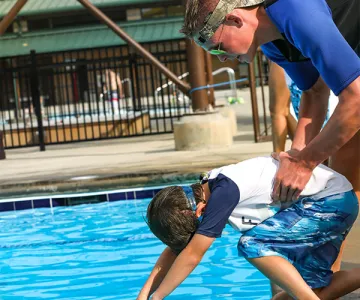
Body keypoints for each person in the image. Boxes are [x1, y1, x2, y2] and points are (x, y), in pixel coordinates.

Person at [181, 0, 360, 204]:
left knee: (344, 159)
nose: (221, 59)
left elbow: (356, 100)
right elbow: (314, 92)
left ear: (234, 19)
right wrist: (297, 153)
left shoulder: (296, 12)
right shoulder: (272, 44)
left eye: (218, 48)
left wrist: (304, 163)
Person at [137, 156, 360, 300]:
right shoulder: (207, 191)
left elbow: (193, 253)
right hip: (336, 202)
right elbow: (178, 249)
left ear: (200, 212)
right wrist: (144, 294)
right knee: (305, 294)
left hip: (330, 202)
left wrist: (158, 298)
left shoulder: (224, 193)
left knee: (251, 244)